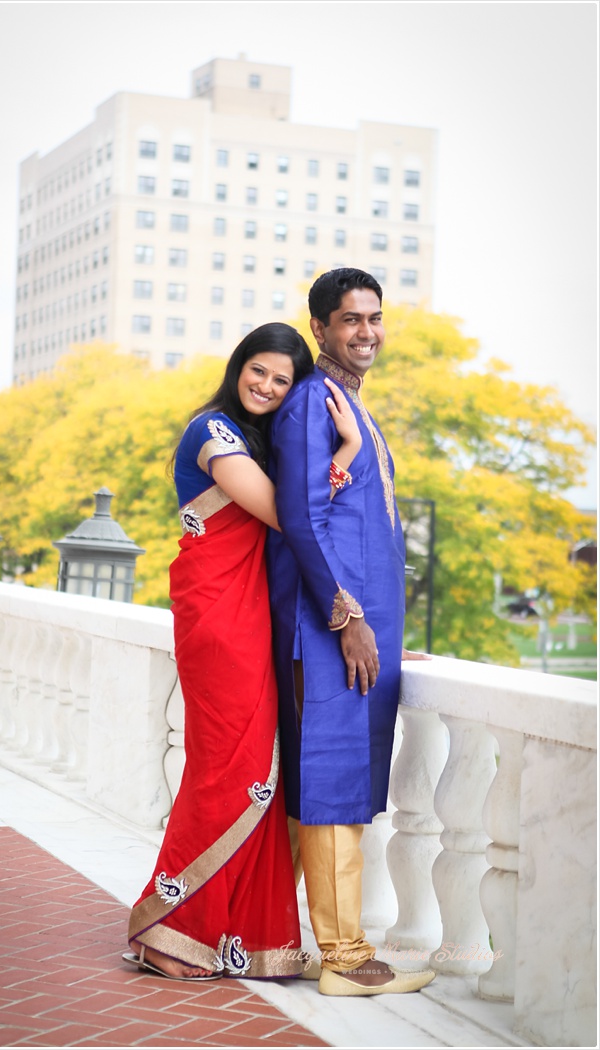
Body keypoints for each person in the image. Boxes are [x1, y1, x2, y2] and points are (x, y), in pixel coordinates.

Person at [125, 323, 362, 981]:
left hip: (252, 614)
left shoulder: (254, 441)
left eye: (281, 380)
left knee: (259, 770)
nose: (266, 385)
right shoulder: (212, 432)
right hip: (217, 614)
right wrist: (346, 445)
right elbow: (291, 515)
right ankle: (169, 930)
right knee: (226, 767)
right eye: (258, 371)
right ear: (239, 368)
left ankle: (238, 936)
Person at [267, 268, 433, 996]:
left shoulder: (349, 406)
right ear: (320, 330)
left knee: (335, 787)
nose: (366, 332)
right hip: (328, 631)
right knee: (331, 787)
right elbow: (302, 518)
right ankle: (343, 959)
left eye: (374, 318)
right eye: (349, 320)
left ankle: (286, 938)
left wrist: (386, 631)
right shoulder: (311, 403)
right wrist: (350, 618)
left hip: (361, 635)